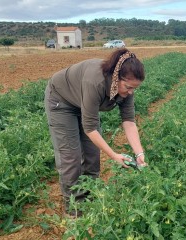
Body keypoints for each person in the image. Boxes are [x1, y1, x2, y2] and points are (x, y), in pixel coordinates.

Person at [44, 48, 147, 217]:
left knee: (92, 154)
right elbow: (90, 128)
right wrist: (114, 155)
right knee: (71, 157)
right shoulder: (96, 82)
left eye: (134, 89)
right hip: (61, 102)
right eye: (128, 87)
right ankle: (73, 209)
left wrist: (139, 154)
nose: (130, 92)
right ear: (116, 77)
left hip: (82, 101)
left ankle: (91, 198)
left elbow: (128, 121)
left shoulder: (127, 89)